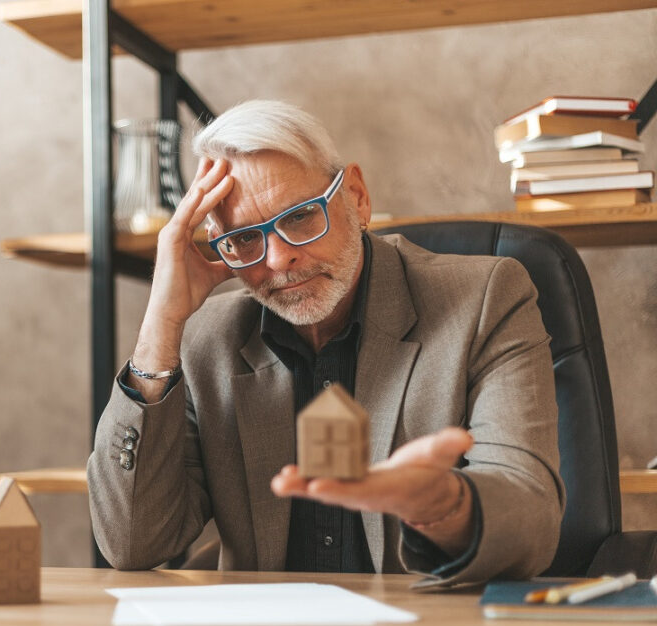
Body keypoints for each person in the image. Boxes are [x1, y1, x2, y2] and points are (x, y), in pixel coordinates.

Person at [86, 100, 564, 589]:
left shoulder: (484, 300)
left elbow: (532, 524)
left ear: (356, 196)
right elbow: (131, 542)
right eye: (245, 239)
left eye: (299, 218)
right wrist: (160, 326)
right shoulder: (206, 340)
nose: (278, 260)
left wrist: (442, 504)